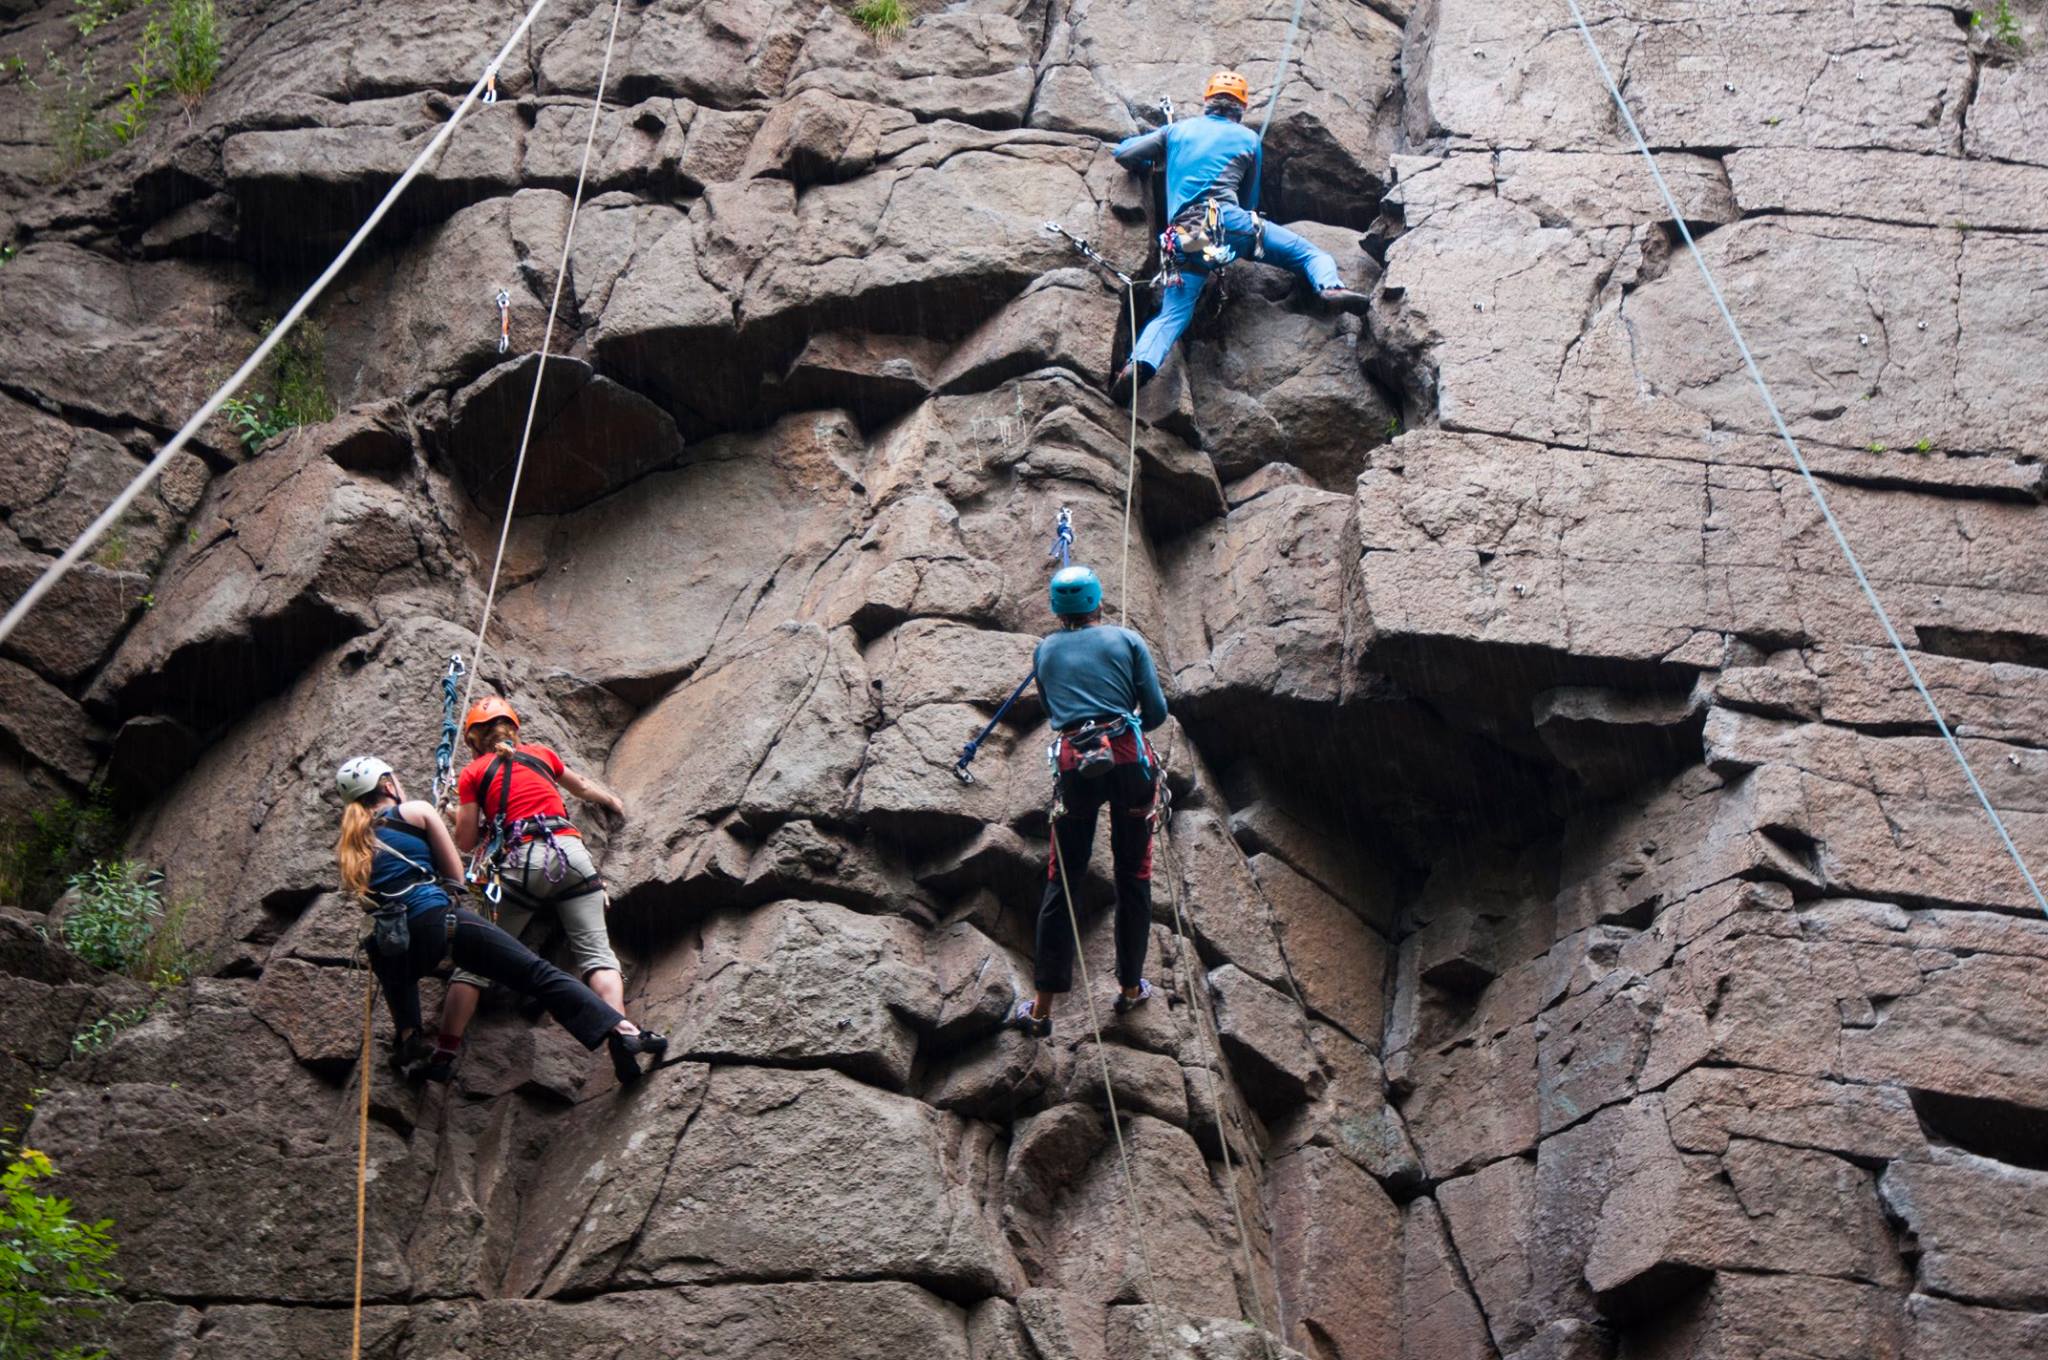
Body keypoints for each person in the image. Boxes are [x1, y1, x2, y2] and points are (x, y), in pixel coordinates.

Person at [333, 756, 665, 1086]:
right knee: (535, 973)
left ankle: (409, 1037)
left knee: (394, 968)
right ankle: (623, 1030)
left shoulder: (349, 847)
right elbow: (455, 876)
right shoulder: (416, 811)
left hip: (391, 945)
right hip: (437, 922)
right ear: (389, 785)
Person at [1107, 69, 1372, 402]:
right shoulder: (1248, 139)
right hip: (1231, 224)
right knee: (1308, 254)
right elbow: (1249, 201)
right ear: (1240, 108)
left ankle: (1139, 363)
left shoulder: (1177, 131)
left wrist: (1151, 161)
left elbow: (1125, 154)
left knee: (1173, 314)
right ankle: (1330, 287)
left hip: (1186, 236)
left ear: (1208, 101)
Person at [1013, 565, 1171, 1038]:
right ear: (1099, 602)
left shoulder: (1044, 651)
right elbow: (1158, 714)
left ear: (1057, 609)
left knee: (1062, 881)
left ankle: (1040, 1010)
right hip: (1128, 762)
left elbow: (1055, 712)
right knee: (1133, 875)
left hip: (1075, 767)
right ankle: (1128, 988)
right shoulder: (1126, 641)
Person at [449, 697, 644, 1060]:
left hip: (522, 863)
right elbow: (582, 786)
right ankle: (623, 1034)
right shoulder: (541, 754)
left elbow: (466, 841)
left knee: (475, 963)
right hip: (572, 855)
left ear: (474, 740)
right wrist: (613, 802)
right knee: (599, 957)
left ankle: (445, 1052)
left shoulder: (474, 773)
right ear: (514, 729)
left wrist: (452, 814)